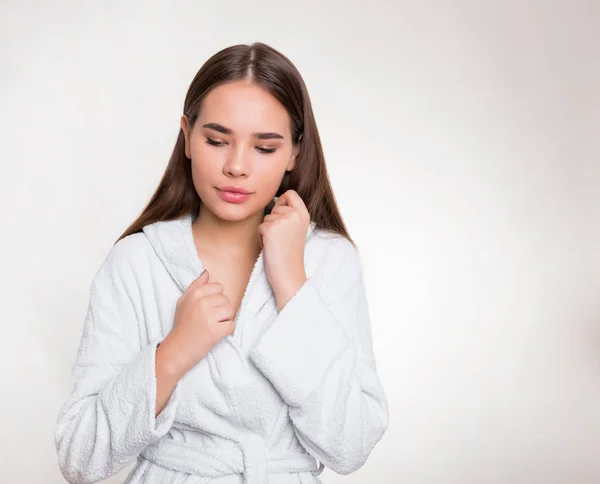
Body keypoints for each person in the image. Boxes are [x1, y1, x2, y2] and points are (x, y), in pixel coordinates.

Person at [54, 41, 389, 484]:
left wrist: (292, 282)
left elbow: (352, 445)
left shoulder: (329, 261)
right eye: (216, 140)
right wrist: (172, 354)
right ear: (187, 137)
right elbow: (79, 456)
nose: (236, 166)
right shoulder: (137, 262)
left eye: (264, 148)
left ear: (294, 153)